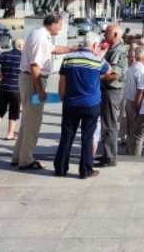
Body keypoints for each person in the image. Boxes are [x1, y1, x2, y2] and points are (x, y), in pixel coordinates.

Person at [12, 14, 78, 171]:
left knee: (27, 121)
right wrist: (40, 89)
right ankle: (26, 160)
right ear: (53, 24)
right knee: (33, 122)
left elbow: (53, 49)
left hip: (30, 79)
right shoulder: (41, 37)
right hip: (33, 80)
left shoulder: (41, 34)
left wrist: (73, 49)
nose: (61, 28)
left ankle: (19, 156)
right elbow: (35, 65)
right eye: (60, 25)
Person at [54, 32, 112, 178]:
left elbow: (62, 81)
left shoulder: (68, 59)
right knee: (87, 137)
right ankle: (85, 170)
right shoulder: (98, 61)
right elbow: (109, 71)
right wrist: (99, 54)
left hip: (71, 102)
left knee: (67, 136)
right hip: (91, 104)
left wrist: (62, 97)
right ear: (94, 45)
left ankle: (60, 168)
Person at [99, 23, 129, 168]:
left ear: (115, 35)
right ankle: (107, 154)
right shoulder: (112, 48)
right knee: (106, 124)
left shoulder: (118, 50)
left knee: (109, 125)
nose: (105, 35)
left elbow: (115, 74)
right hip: (108, 90)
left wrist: (95, 78)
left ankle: (110, 157)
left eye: (107, 33)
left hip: (112, 90)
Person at [0, 38, 25, 140]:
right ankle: (10, 134)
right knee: (14, 110)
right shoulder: (23, 57)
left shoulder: (4, 54)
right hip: (16, 88)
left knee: (1, 107)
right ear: (20, 46)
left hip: (4, 86)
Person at [123, 46, 144, 155]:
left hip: (129, 100)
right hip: (136, 102)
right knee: (135, 129)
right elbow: (141, 90)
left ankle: (129, 150)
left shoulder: (132, 68)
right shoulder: (141, 70)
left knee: (129, 129)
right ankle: (133, 153)